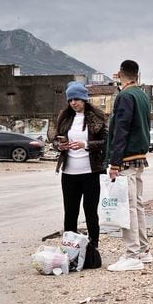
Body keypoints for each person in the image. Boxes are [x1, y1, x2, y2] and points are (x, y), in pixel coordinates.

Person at [106, 59, 153, 271]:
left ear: (119, 74)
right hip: (139, 156)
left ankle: (132, 254)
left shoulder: (125, 96)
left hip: (126, 159)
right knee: (137, 205)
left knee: (129, 207)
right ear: (137, 74)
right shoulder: (142, 95)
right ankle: (143, 250)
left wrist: (114, 162)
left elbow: (120, 130)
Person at [54, 82, 108, 269]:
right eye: (70, 100)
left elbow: (105, 142)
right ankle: (69, 250)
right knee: (70, 211)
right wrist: (59, 146)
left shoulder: (96, 117)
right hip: (69, 172)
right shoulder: (64, 117)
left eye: (76, 99)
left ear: (84, 99)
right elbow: (54, 139)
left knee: (90, 211)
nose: (73, 103)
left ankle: (93, 249)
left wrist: (85, 145)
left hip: (91, 171)